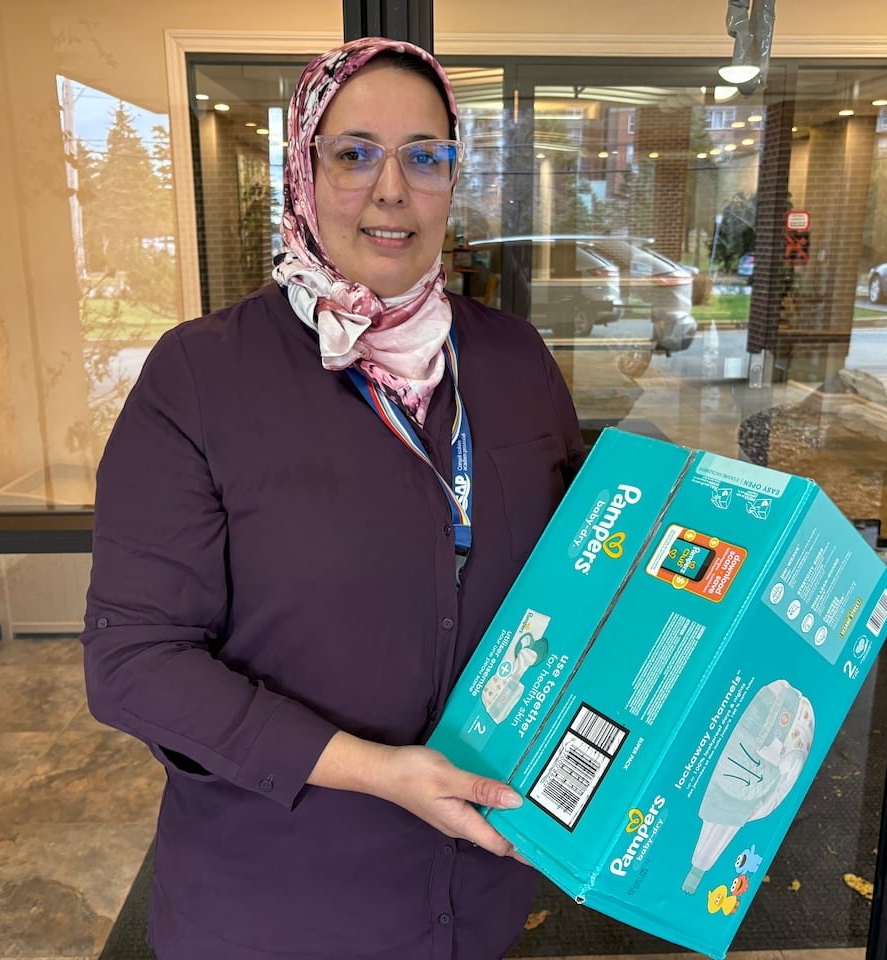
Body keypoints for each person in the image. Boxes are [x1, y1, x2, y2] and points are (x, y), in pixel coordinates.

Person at [81, 36, 585, 960]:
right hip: (282, 906)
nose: (392, 189)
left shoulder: (514, 361)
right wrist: (377, 772)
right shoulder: (199, 378)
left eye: (425, 156)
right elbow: (135, 664)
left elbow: (588, 550)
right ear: (302, 173)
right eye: (354, 153)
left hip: (479, 895)